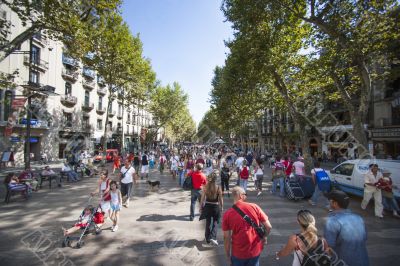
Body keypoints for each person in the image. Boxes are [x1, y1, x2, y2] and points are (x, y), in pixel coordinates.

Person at [222, 186, 272, 266]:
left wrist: (228, 255)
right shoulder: (254, 207)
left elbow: (226, 237)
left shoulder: (227, 214)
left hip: (238, 253)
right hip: (254, 251)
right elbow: (269, 226)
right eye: (245, 194)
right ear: (241, 196)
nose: (246, 196)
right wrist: (264, 237)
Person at [324, 190, 369, 266]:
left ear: (335, 203)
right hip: (363, 260)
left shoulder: (332, 221)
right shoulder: (358, 218)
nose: (329, 203)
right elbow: (364, 238)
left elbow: (329, 246)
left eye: (330, 201)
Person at [200, 171, 223, 246]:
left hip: (207, 206)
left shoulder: (205, 187)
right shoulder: (218, 187)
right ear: (215, 179)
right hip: (216, 206)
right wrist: (221, 207)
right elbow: (220, 199)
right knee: (216, 222)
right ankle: (213, 236)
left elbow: (202, 198)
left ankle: (207, 239)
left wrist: (201, 207)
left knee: (208, 222)